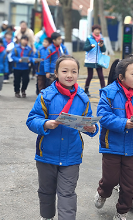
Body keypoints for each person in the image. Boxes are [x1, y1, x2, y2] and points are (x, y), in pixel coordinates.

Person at [26, 54, 99, 220]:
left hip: (71, 155)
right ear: (56, 73)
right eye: (65, 71)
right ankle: (47, 216)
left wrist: (92, 128)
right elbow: (31, 120)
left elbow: (90, 122)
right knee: (46, 191)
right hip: (46, 155)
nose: (69, 75)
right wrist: (45, 124)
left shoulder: (83, 98)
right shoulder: (46, 96)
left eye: (74, 71)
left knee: (67, 193)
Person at [94, 58, 133, 220]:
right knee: (110, 180)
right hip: (111, 145)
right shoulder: (109, 92)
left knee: (129, 185)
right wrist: (123, 123)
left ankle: (122, 212)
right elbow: (103, 116)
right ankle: (103, 192)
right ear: (121, 77)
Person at [84, 24, 106, 96]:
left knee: (101, 76)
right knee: (90, 76)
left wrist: (102, 46)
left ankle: (103, 91)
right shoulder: (89, 38)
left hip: (99, 60)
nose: (97, 31)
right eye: (96, 30)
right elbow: (85, 48)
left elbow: (104, 50)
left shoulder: (101, 39)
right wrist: (90, 46)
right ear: (93, 31)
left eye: (98, 30)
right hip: (90, 60)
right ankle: (86, 90)